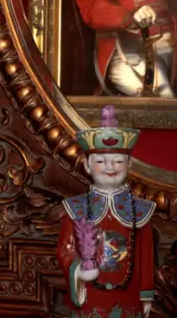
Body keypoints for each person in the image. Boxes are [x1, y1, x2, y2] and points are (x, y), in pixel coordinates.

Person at [55, 105, 156, 318]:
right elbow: (65, 250)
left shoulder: (141, 210)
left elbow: (145, 256)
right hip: (91, 296)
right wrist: (79, 270)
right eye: (101, 161)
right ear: (87, 165)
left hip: (129, 296)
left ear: (129, 164)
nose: (110, 167)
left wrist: (146, 295)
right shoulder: (75, 209)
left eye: (118, 161)